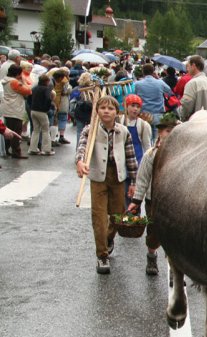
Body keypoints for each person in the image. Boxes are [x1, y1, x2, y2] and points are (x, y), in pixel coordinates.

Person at [75, 95, 138, 274]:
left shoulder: (123, 131)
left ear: (116, 112)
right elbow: (82, 148)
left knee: (118, 216)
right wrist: (80, 161)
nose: (106, 112)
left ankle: (109, 239)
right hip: (98, 177)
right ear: (97, 111)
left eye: (110, 109)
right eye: (103, 108)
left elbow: (131, 157)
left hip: (118, 177)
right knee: (99, 217)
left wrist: (133, 181)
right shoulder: (90, 130)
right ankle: (102, 255)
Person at [126, 112, 181, 276]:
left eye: (175, 131)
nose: (171, 135)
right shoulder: (151, 154)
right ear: (160, 133)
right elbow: (142, 179)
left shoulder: (183, 155)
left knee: (174, 234)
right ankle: (151, 255)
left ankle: (175, 269)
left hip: (175, 200)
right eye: (167, 131)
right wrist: (136, 201)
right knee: (154, 232)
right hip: (154, 200)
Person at [119, 94, 152, 206]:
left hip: (136, 164)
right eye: (132, 105)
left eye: (138, 106)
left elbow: (148, 148)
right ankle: (120, 220)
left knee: (132, 196)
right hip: (120, 162)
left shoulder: (144, 125)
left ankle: (133, 220)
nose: (135, 109)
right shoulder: (119, 122)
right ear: (126, 106)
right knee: (120, 196)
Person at [1, 65, 32, 159]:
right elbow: (28, 91)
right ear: (18, 74)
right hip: (15, 109)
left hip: (7, 107)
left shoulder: (5, 80)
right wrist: (22, 81)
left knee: (8, 130)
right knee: (16, 131)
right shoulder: (14, 82)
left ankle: (6, 149)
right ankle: (16, 152)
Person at [178, 55, 207, 121]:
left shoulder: (192, 83)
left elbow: (186, 106)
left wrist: (178, 115)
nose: (187, 69)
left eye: (188, 66)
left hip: (198, 125)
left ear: (193, 65)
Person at [134, 63, 173, 132]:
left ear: (143, 72)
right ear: (153, 72)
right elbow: (170, 92)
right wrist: (158, 78)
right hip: (158, 114)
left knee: (145, 138)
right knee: (157, 138)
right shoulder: (160, 83)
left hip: (143, 114)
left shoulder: (137, 84)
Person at [29, 74, 54, 156]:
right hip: (42, 111)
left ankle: (33, 148)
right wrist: (47, 108)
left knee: (35, 130)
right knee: (45, 130)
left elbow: (29, 98)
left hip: (33, 110)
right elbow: (48, 99)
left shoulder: (34, 88)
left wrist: (31, 106)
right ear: (46, 81)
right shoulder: (46, 89)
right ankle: (46, 149)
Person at [52, 70, 72, 145]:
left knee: (54, 119)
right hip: (61, 101)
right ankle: (60, 136)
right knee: (62, 118)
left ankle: (53, 137)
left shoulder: (51, 78)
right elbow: (66, 90)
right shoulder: (64, 81)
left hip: (54, 99)